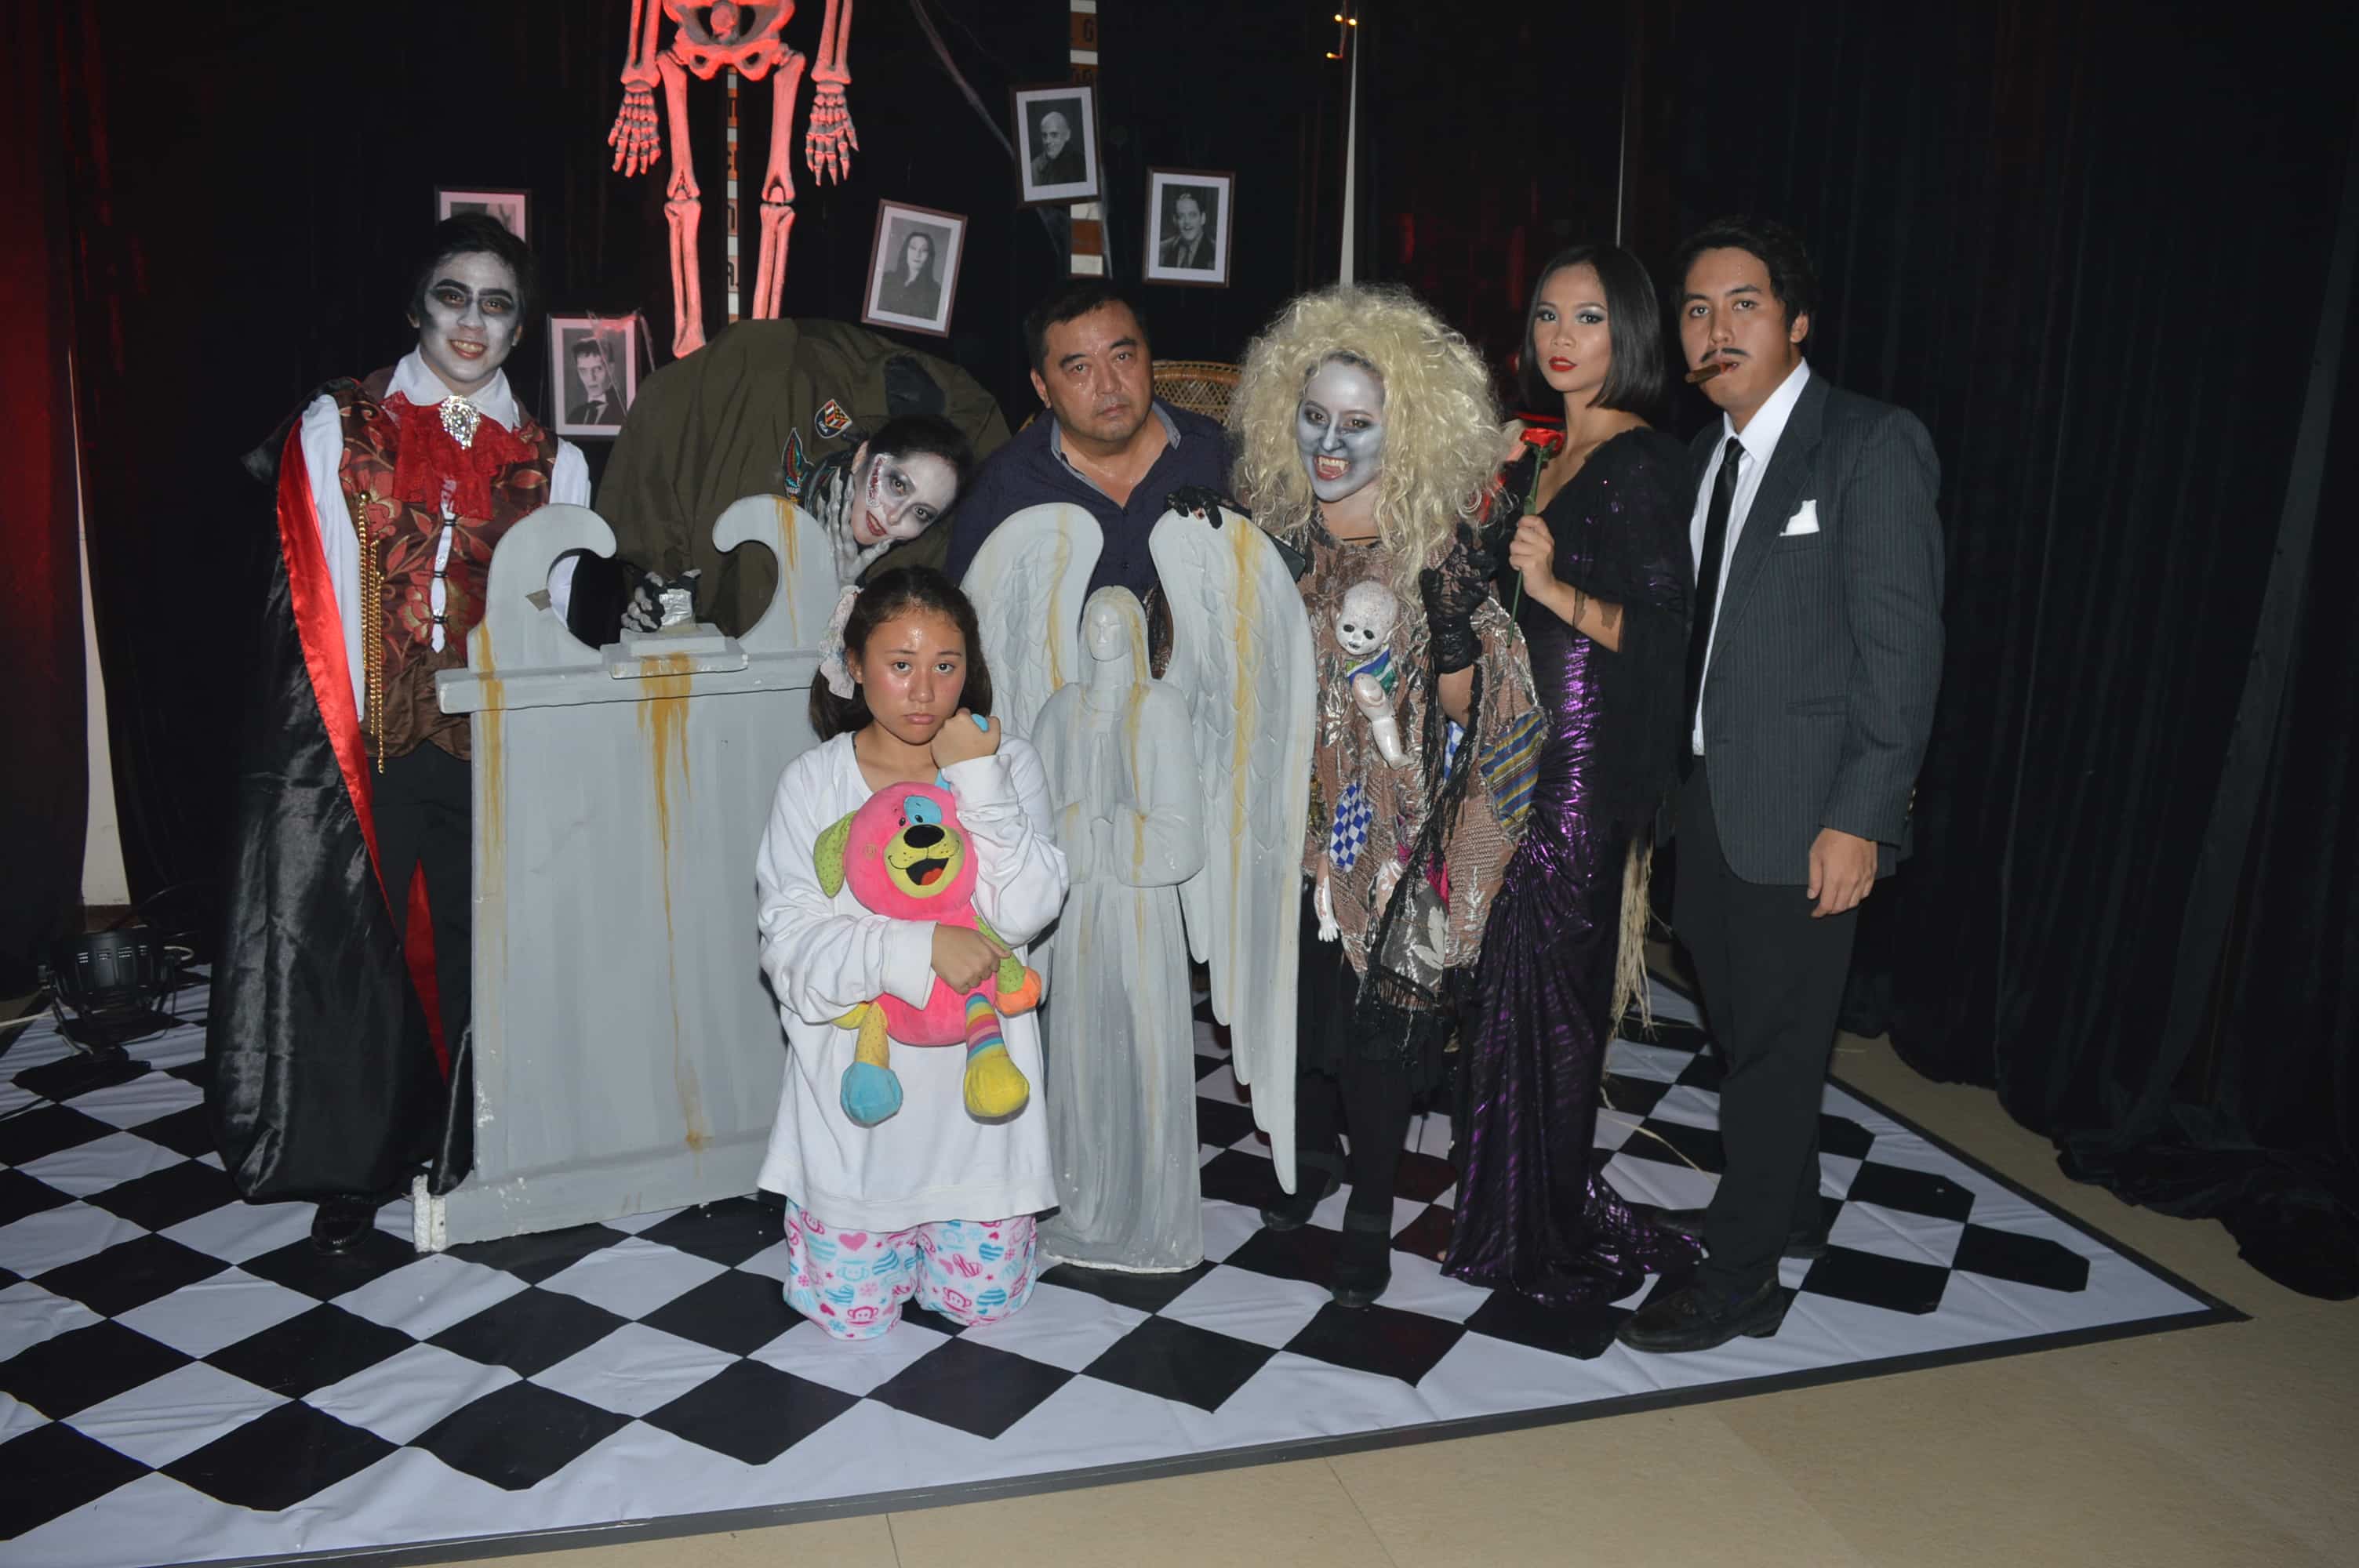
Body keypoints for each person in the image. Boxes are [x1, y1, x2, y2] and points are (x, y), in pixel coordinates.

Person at [209, 215, 591, 1253]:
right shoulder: (342, 426)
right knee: (357, 946)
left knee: (480, 940)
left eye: (497, 304)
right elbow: (317, 598)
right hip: (365, 738)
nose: (472, 321)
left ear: (520, 329)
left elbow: (551, 614)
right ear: (416, 305)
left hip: (487, 747)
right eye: (453, 295)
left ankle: (468, 1141)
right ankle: (355, 1160)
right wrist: (335, 738)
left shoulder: (552, 461)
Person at [1618, 218, 1945, 1353]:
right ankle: (1789, 1206)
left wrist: (1861, 816)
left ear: (1796, 321)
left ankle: (1740, 1278)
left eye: (1741, 305)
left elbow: (1902, 656)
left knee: (1773, 1052)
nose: (1714, 329)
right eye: (1695, 310)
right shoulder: (1701, 459)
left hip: (1809, 814)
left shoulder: (1868, 443)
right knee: (1745, 1025)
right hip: (1707, 801)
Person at [1234, 285, 1539, 1308]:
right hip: (1285, 828)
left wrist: (1449, 630)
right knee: (1294, 1011)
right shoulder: (1274, 534)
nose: (1329, 443)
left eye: (1357, 424)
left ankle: (1370, 1207)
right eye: (1313, 416)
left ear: (1404, 432)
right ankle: (1308, 1158)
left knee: (1373, 1031)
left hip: (1392, 838)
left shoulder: (1435, 549)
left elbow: (1474, 710)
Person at [1441, 244, 1702, 1310]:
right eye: (1547, 315)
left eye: (1587, 318)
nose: (1560, 336)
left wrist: (1552, 590)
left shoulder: (1642, 460)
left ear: (1627, 332)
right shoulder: (1548, 453)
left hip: (1581, 765)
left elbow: (1667, 633)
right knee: (1509, 983)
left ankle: (1534, 1223)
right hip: (1517, 747)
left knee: (1550, 992)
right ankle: (1516, 1205)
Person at [754, 567, 1068, 1339]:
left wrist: (976, 775)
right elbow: (791, 952)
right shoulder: (813, 783)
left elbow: (1027, 910)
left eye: (945, 665)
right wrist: (919, 945)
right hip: (855, 1128)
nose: (924, 691)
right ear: (855, 665)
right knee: (852, 1331)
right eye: (900, 664)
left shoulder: (1006, 764)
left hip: (981, 1130)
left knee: (985, 1316)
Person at [594, 318, 1010, 636]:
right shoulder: (784, 424)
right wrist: (665, 585)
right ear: (862, 455)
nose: (893, 516)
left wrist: (841, 593)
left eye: (921, 513)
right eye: (897, 484)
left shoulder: (899, 573)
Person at [943, 282, 1228, 660]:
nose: (1109, 385)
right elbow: (957, 634)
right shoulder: (1004, 488)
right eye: (1080, 368)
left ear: (1149, 358)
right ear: (1042, 387)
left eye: (1122, 357)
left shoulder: (1216, 455)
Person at [875, 230, 943, 321]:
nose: (917, 254)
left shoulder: (935, 291)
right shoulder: (886, 279)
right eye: (913, 248)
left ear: (929, 256)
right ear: (905, 251)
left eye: (924, 250)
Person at [566, 336, 619, 426]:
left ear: (611, 368)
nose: (591, 378)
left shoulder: (625, 411)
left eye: (597, 369)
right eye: (583, 371)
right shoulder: (573, 416)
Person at [1158, 192, 1214, 270]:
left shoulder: (1216, 252)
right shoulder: (1161, 250)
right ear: (1175, 220)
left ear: (1203, 218)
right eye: (1181, 216)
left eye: (1192, 215)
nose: (1187, 222)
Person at [1030, 108, 1082, 187]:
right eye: (1044, 135)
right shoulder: (1033, 169)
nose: (1047, 141)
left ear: (1067, 135)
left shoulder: (1083, 163)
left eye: (1054, 135)